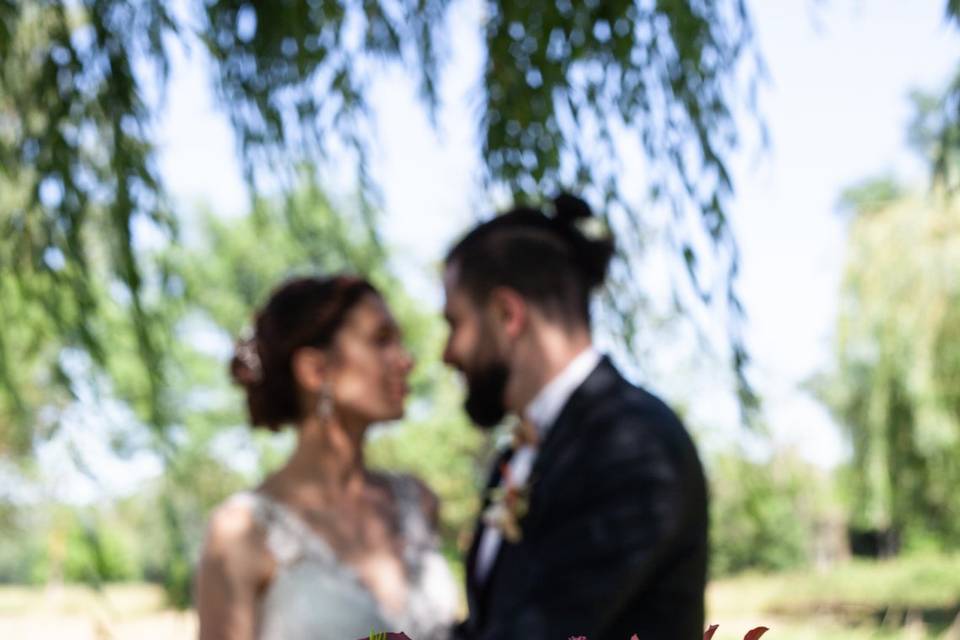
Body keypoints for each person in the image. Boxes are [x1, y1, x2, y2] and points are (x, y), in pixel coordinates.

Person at [441, 195, 708, 640]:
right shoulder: (522, 451)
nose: (447, 354)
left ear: (507, 314)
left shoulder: (633, 445)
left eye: (454, 323)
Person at [195, 275, 458, 640]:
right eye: (381, 340)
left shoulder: (418, 503)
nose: (405, 361)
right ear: (316, 370)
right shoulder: (240, 534)